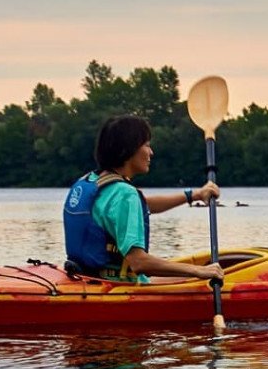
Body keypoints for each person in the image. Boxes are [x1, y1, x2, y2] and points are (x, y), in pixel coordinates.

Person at [63, 115, 224, 283]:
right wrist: (199, 271)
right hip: (119, 285)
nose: (151, 152)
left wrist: (194, 195)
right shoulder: (125, 194)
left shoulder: (94, 182)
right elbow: (139, 263)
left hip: (87, 277)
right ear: (128, 150)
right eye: (147, 145)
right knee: (198, 280)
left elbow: (143, 206)